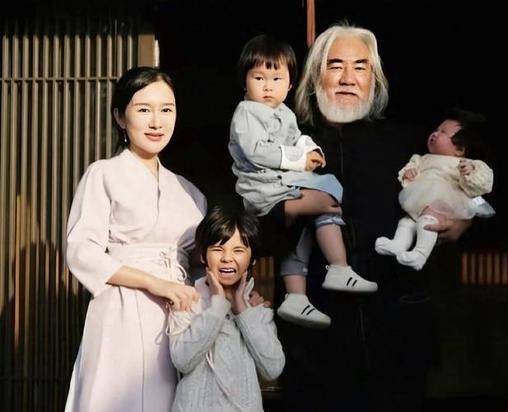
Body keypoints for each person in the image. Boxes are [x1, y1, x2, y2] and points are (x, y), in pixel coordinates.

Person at [256, 23, 475, 411]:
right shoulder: (283, 144)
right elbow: (252, 227)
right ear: (315, 76)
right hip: (315, 341)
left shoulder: (407, 143)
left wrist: (460, 221)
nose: (348, 78)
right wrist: (291, 208)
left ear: (374, 79)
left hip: (396, 335)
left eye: (360, 67)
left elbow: (468, 191)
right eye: (335, 65)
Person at [64, 67, 206, 412]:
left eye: (166, 109)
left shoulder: (189, 192)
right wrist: (153, 282)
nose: (157, 121)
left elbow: (204, 264)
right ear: (119, 116)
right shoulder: (103, 174)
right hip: (122, 307)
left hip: (179, 315)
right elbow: (82, 251)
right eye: (144, 109)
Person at [228, 35, 377, 329]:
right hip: (265, 190)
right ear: (244, 81)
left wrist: (311, 150)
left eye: (277, 79)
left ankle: (297, 296)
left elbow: (297, 138)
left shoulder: (284, 113)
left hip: (282, 184)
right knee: (327, 192)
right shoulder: (246, 112)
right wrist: (299, 160)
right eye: (259, 78)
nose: (268, 86)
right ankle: (338, 266)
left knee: (307, 225)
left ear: (290, 85)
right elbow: (257, 151)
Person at [168, 206, 285, 412]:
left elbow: (272, 368)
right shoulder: (187, 301)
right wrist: (217, 306)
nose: (227, 258)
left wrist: (242, 309)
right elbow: (182, 361)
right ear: (203, 256)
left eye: (238, 250)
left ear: (252, 259)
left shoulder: (256, 309)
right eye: (217, 249)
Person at [375, 110, 495, 270]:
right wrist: (409, 175)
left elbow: (481, 184)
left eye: (443, 132)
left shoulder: (463, 163)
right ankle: (398, 245)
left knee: (427, 221)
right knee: (407, 222)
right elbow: (409, 173)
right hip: (420, 199)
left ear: (459, 149)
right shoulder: (421, 159)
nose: (435, 133)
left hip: (444, 201)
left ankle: (420, 254)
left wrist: (469, 172)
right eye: (437, 129)